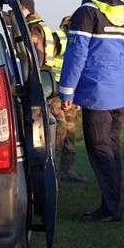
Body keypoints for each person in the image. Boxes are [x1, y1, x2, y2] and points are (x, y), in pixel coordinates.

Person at [58, 0, 124, 223]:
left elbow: (76, 54)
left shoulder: (86, 12)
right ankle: (111, 203)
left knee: (99, 149)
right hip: (121, 93)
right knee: (112, 149)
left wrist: (67, 91)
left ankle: (111, 209)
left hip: (96, 93)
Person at [49, 16, 84, 183]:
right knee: (60, 132)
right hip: (56, 93)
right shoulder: (59, 38)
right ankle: (53, 172)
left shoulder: (81, 40)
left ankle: (68, 172)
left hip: (70, 94)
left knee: (70, 132)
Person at [19, 0, 52, 67]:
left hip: (39, 69)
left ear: (23, 7)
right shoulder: (39, 24)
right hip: (45, 69)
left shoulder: (33, 27)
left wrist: (35, 69)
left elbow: (38, 51)